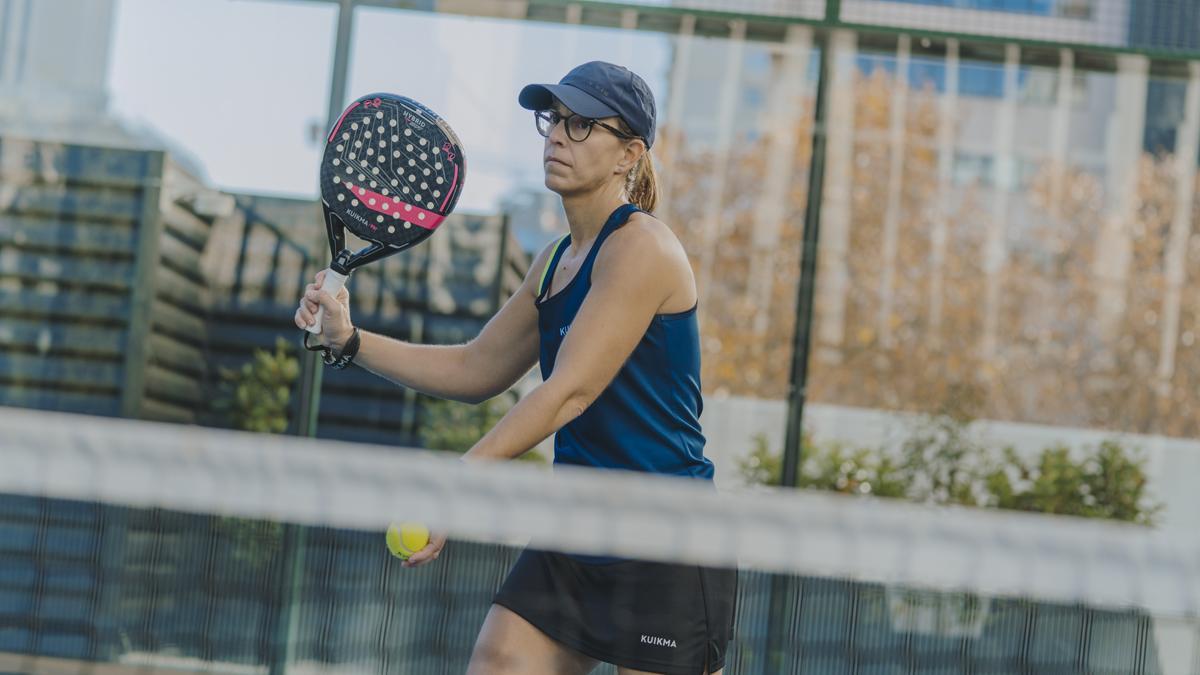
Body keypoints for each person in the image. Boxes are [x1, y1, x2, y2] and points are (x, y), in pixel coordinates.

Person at [295, 60, 735, 675]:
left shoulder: (643, 247)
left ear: (628, 154)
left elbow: (568, 393)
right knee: (498, 662)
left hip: (665, 541)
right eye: (553, 119)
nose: (557, 134)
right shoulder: (556, 259)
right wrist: (349, 339)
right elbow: (478, 369)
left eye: (582, 124)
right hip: (576, 534)